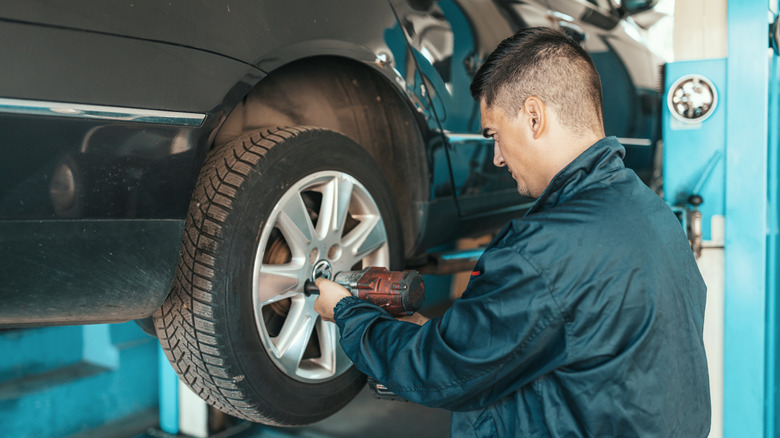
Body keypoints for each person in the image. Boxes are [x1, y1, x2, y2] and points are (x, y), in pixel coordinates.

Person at [314, 27, 711, 437]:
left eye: (494, 135)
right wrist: (442, 338)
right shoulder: (653, 214)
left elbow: (437, 373)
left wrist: (347, 314)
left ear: (534, 117)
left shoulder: (545, 250)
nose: (498, 158)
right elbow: (552, 337)